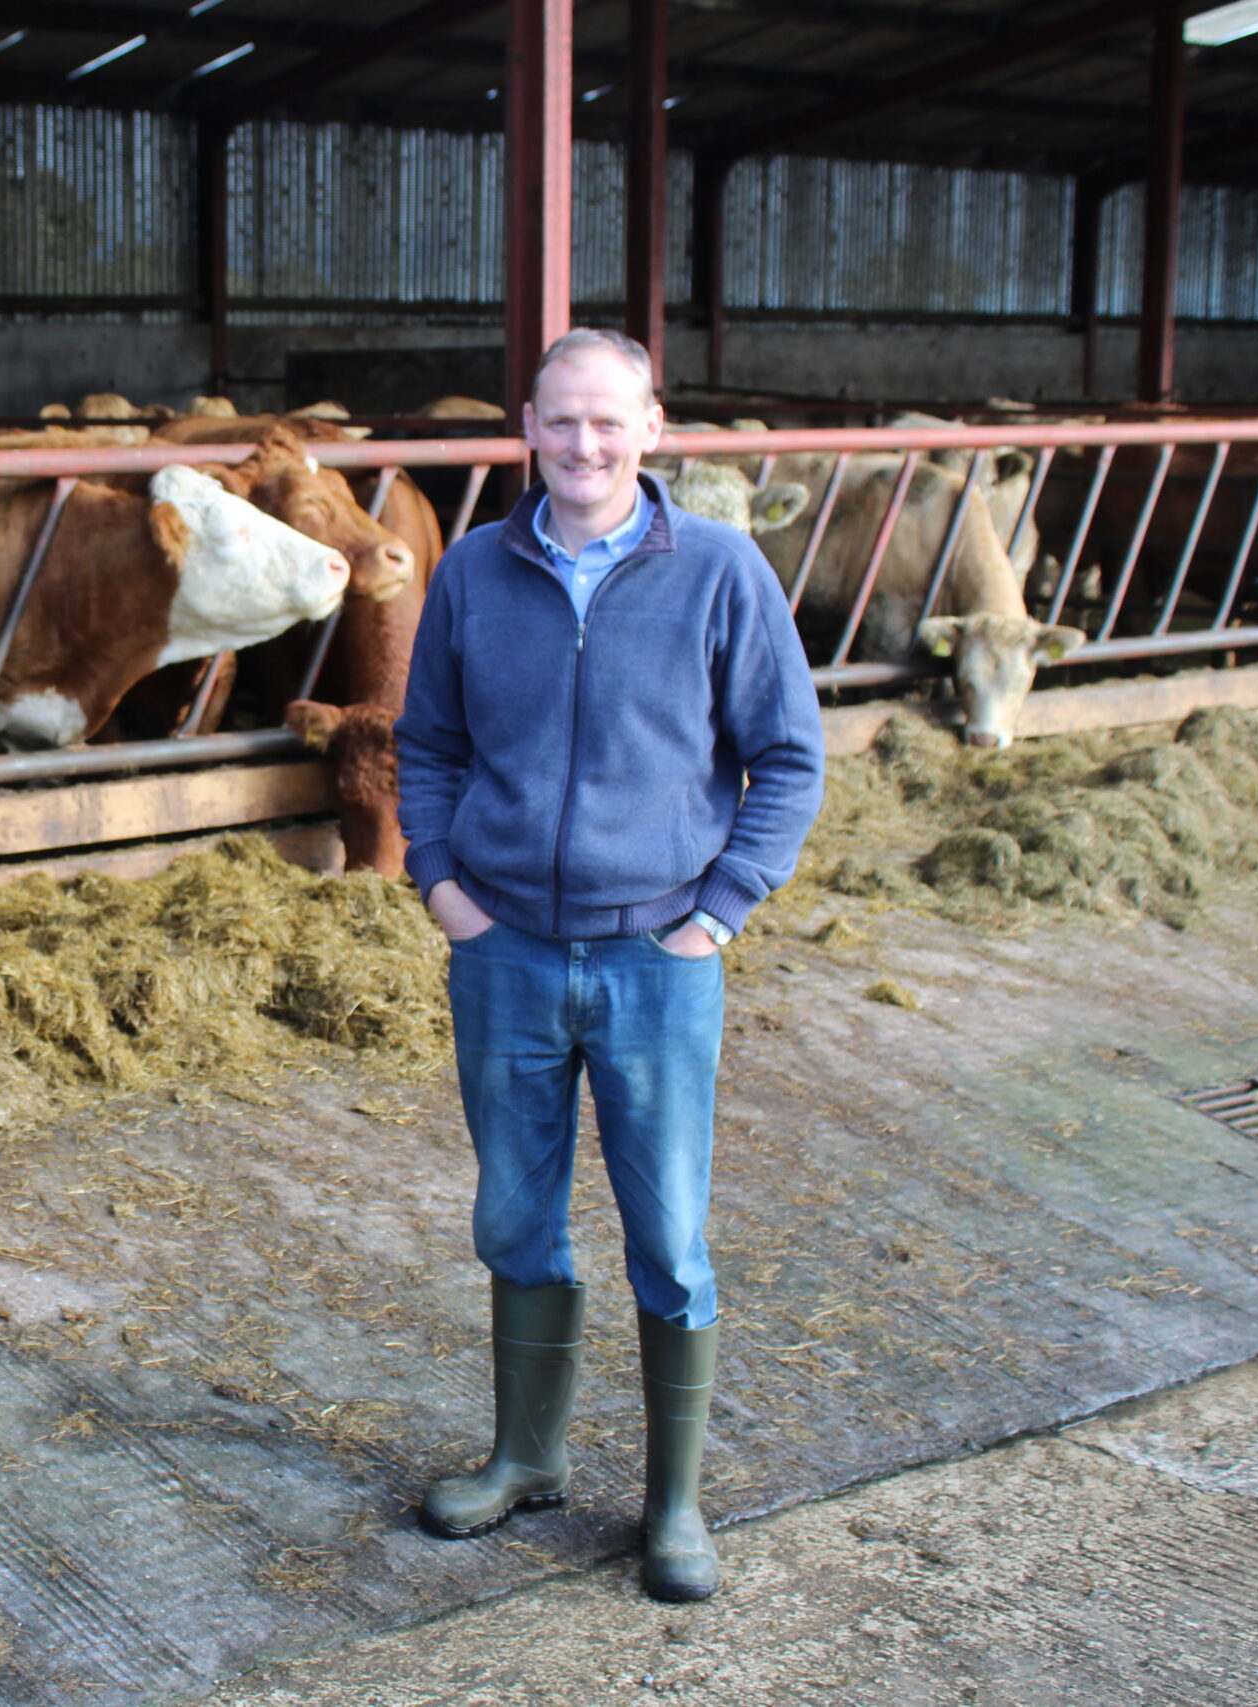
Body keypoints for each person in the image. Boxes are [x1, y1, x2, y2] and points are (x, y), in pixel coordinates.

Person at [394, 328, 824, 1602]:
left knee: (668, 1232)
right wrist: (442, 883)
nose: (584, 446)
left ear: (651, 429)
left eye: (609, 422)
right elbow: (427, 742)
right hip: (506, 950)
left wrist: (722, 907)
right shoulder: (472, 572)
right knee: (514, 1215)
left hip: (656, 955)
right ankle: (524, 1458)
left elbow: (787, 757)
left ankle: (674, 1504)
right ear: (525, 426)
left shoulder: (719, 571)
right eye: (562, 421)